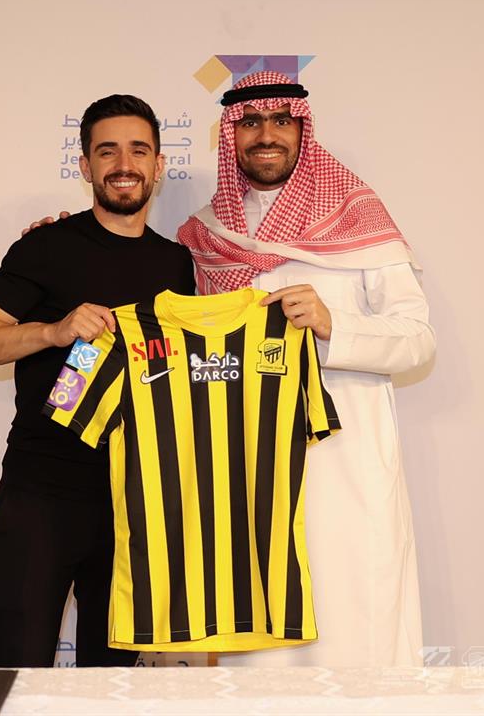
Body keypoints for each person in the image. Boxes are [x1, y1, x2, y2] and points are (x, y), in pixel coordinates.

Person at [176, 70, 436, 667]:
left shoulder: (357, 217)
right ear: (231, 135)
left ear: (302, 130)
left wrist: (332, 326)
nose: (266, 134)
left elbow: (418, 341)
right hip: (248, 466)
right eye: (250, 122)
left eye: (280, 121)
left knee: (355, 627)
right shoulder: (205, 236)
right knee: (259, 639)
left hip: (347, 461)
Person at [0, 94, 195, 668]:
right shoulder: (46, 246)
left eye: (139, 150)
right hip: (42, 494)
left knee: (111, 687)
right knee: (17, 677)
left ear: (159, 165)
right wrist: (52, 332)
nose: (124, 164)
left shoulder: (179, 265)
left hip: (135, 502)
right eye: (107, 152)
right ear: (85, 165)